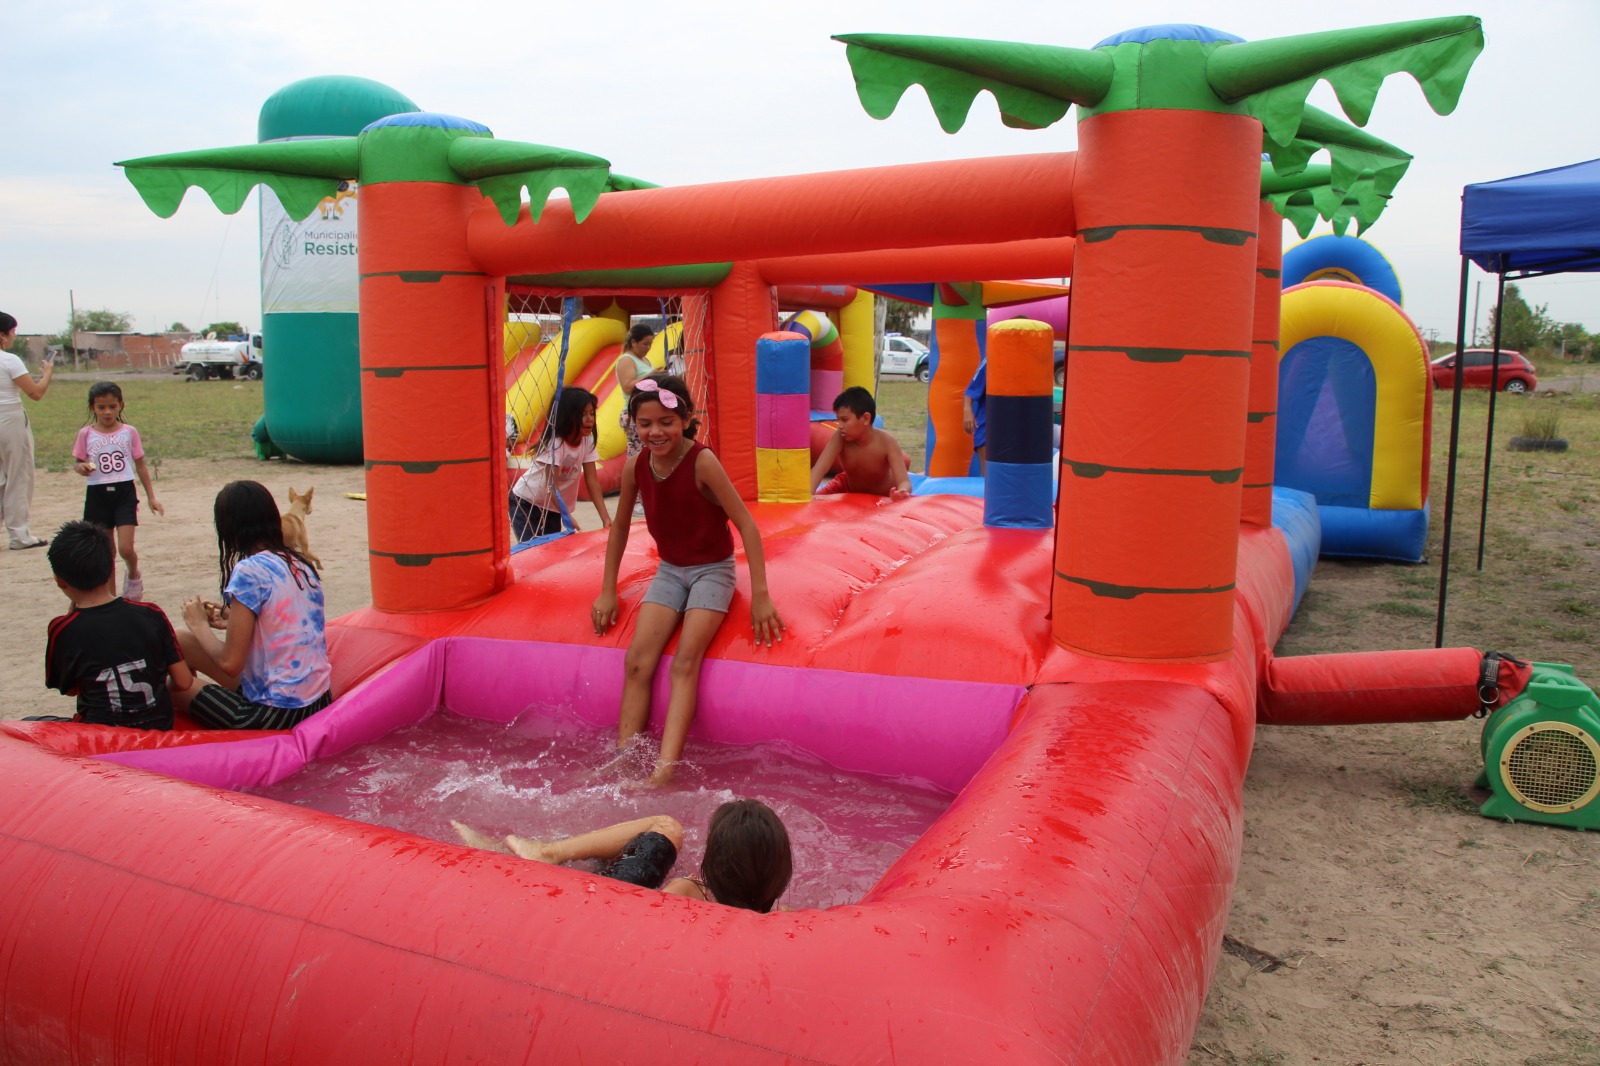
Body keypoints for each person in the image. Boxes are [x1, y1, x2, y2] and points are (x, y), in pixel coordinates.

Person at [593, 373, 784, 787]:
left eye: (666, 422)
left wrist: (761, 595)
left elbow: (747, 525)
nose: (656, 432)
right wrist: (608, 589)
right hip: (670, 569)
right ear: (633, 425)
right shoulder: (635, 467)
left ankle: (664, 771)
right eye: (645, 424)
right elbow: (620, 526)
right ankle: (625, 758)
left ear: (685, 419)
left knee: (684, 662)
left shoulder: (702, 461)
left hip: (713, 569)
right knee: (637, 661)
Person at [171, 480, 332, 729]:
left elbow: (230, 663)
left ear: (229, 529)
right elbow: (283, 620)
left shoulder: (249, 570)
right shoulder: (299, 561)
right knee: (180, 640)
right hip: (318, 699)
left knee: (174, 686)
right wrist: (231, 617)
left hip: (278, 712)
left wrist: (199, 624)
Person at [452, 798, 793, 913]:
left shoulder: (687, 892)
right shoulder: (774, 913)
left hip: (612, 899)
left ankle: (545, 852)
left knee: (667, 827)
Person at [44, 520, 193, 730]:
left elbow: (69, 689)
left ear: (60, 580)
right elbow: (184, 681)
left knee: (31, 723)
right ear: (110, 569)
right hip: (159, 730)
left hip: (104, 738)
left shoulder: (63, 629)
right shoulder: (151, 613)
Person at [72, 382, 164, 601]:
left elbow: (140, 465)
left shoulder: (129, 432)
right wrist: (81, 468)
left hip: (124, 493)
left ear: (121, 405)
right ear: (93, 407)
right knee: (106, 552)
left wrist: (151, 497)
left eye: (112, 406)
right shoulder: (86, 434)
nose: (107, 412)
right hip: (97, 494)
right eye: (101, 407)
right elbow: (77, 462)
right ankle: (111, 597)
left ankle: (133, 574)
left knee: (125, 548)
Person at [508, 386, 611, 541]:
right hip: (526, 503)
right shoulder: (555, 444)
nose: (590, 419)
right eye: (583, 414)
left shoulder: (587, 440)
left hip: (552, 506)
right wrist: (567, 516)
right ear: (568, 417)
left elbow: (592, 481)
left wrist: (605, 517)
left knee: (550, 547)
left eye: (592, 413)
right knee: (533, 548)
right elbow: (552, 486)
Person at [0, 312, 55, 550]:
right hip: (9, 418)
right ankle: (19, 535)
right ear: (2, 335)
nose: (14, 336)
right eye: (12, 331)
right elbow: (35, 392)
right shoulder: (9, 360)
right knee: (18, 476)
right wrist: (47, 374)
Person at [810, 386, 912, 499]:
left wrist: (901, 491)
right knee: (815, 499)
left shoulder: (887, 442)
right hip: (846, 487)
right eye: (838, 420)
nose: (840, 426)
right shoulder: (840, 437)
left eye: (844, 420)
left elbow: (904, 481)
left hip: (882, 494)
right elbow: (820, 468)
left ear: (866, 419)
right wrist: (807, 495)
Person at [613, 324, 657, 460]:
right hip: (634, 412)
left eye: (650, 344)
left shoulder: (645, 360)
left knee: (648, 454)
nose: (648, 347)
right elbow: (627, 387)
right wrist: (651, 376)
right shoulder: (626, 360)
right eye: (645, 344)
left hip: (647, 411)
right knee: (638, 455)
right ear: (633, 342)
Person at [962, 357, 988, 474]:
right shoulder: (992, 358)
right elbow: (971, 389)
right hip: (987, 426)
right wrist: (967, 410)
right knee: (989, 473)